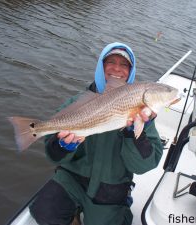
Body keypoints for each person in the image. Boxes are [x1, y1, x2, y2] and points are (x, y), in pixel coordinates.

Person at [29, 42, 163, 225]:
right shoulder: (78, 101)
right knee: (43, 210)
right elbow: (53, 155)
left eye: (124, 65)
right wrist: (62, 146)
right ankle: (73, 217)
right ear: (101, 66)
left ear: (131, 71)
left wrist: (133, 136)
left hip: (109, 189)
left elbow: (144, 165)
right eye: (111, 62)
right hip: (72, 179)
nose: (117, 68)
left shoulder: (143, 114)